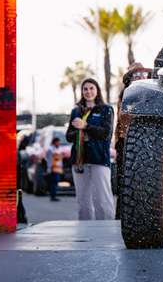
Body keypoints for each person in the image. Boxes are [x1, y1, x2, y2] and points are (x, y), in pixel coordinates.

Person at [66, 78, 115, 220]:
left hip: (99, 159)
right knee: (83, 202)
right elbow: (69, 136)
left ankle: (106, 232)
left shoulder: (106, 109)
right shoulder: (76, 111)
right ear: (82, 92)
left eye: (91, 88)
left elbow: (106, 134)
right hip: (79, 160)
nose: (88, 92)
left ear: (97, 90)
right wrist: (79, 131)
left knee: (102, 200)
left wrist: (86, 127)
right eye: (85, 89)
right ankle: (85, 234)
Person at [45, 137, 63, 202]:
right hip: (53, 168)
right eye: (58, 142)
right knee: (54, 182)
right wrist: (50, 168)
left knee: (55, 182)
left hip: (57, 168)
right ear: (55, 142)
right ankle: (53, 196)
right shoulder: (50, 149)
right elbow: (49, 159)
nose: (59, 143)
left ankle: (54, 195)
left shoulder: (58, 149)